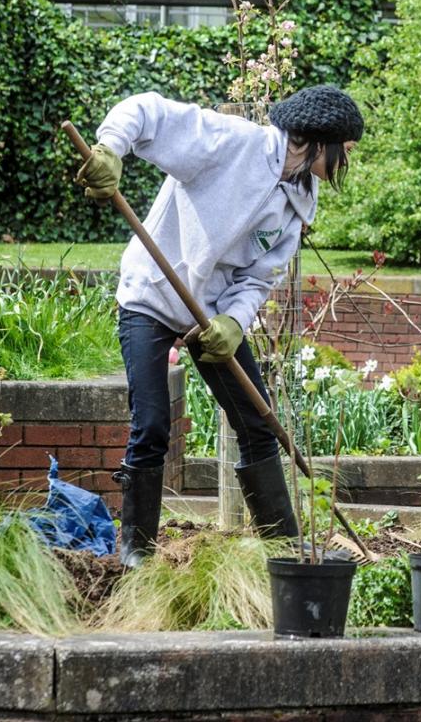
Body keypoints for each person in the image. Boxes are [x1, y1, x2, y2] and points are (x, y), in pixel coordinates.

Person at [74, 85, 363, 566]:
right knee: (151, 424)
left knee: (257, 422)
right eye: (346, 149)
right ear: (318, 140)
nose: (348, 160)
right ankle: (136, 552)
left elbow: (259, 276)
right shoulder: (233, 142)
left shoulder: (297, 204)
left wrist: (233, 320)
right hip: (151, 295)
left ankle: (284, 547)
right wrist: (110, 148)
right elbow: (146, 111)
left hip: (210, 314)